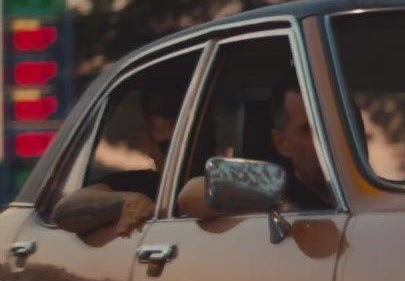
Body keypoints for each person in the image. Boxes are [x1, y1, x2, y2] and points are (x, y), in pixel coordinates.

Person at [178, 82, 333, 218]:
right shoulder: (280, 191)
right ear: (282, 143)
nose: (330, 137)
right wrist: (283, 206)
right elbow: (190, 195)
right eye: (310, 130)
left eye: (333, 125)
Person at [51, 83, 183, 237]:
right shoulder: (144, 185)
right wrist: (128, 202)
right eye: (171, 125)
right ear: (146, 142)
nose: (181, 139)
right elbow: (66, 208)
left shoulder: (205, 185)